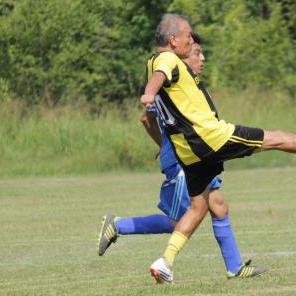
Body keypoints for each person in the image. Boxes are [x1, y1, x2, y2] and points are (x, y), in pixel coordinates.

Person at [142, 14, 296, 284]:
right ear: (173, 40)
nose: (192, 40)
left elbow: (157, 88)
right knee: (276, 138)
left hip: (189, 150)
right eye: (188, 35)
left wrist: (152, 101)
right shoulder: (166, 60)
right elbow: (158, 79)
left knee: (198, 206)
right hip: (211, 137)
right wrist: (148, 93)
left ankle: (166, 262)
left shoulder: (152, 62)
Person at [97, 33, 267, 281]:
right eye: (197, 53)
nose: (202, 58)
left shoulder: (187, 85)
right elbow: (146, 117)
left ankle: (235, 267)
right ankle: (118, 226)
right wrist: (165, 144)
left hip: (196, 154)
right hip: (182, 157)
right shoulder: (170, 84)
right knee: (177, 221)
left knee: (218, 207)